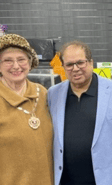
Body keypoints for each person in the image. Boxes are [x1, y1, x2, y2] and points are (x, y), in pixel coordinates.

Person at [48, 41, 112, 185]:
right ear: (63, 66)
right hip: (65, 180)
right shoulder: (53, 94)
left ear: (91, 62)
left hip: (105, 180)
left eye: (80, 62)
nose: (75, 69)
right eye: (69, 64)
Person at [0, 34, 53, 184]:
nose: (16, 66)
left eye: (21, 59)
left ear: (30, 63)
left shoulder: (42, 93)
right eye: (8, 60)